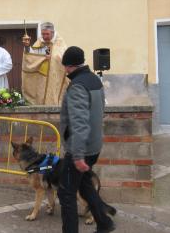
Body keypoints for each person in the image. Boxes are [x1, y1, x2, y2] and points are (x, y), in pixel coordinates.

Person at [58, 46, 116, 233]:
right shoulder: (95, 80)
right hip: (94, 146)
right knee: (84, 185)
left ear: (68, 66)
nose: (65, 70)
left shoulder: (77, 86)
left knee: (66, 193)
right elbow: (101, 112)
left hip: (79, 150)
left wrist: (78, 156)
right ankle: (105, 223)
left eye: (65, 66)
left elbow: (80, 123)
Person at [21, 22, 68, 105]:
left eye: (47, 34)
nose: (45, 36)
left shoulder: (60, 42)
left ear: (53, 33)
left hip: (54, 77)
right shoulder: (40, 41)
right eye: (43, 34)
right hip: (42, 77)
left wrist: (52, 58)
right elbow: (32, 56)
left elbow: (62, 57)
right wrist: (27, 46)